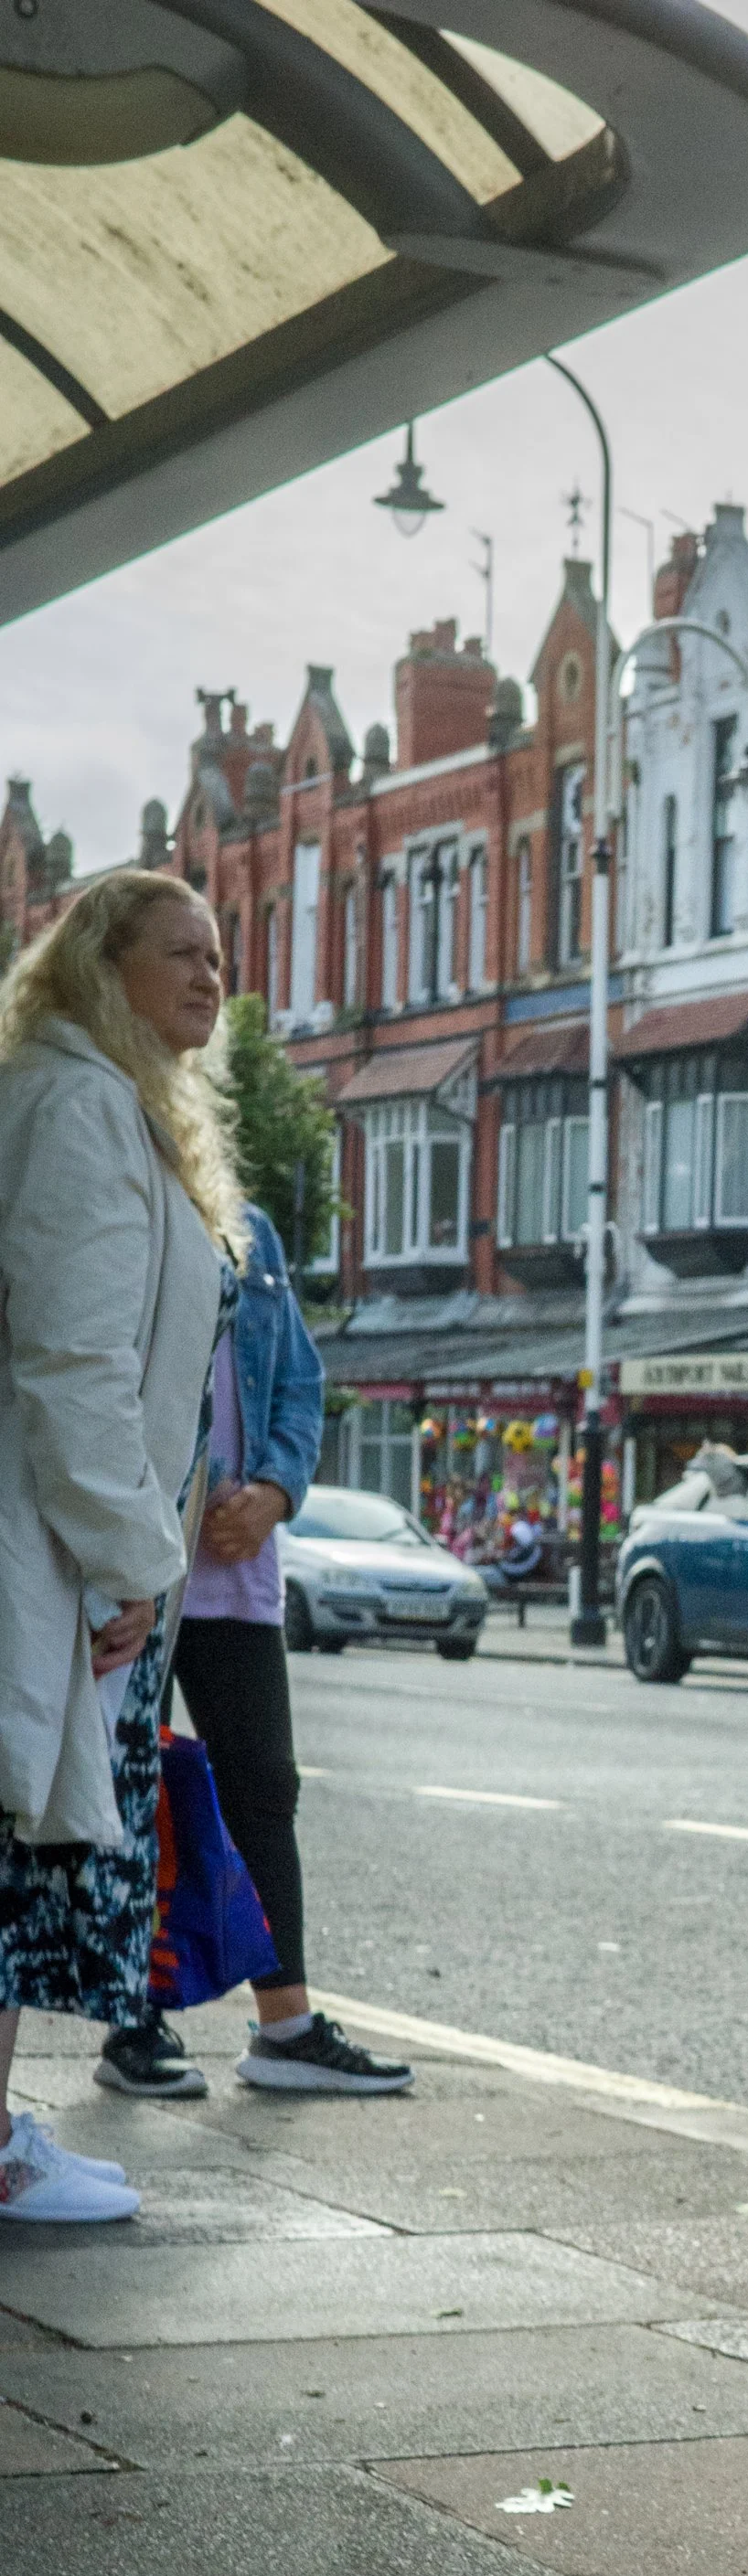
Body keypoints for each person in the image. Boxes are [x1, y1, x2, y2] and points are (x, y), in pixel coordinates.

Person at [0, 874, 235, 2224]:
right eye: (181, 953)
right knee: (22, 1845)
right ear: (104, 962)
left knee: (28, 1844)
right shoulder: (83, 1104)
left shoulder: (88, 1092)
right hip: (59, 1554)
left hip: (73, 1548)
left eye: (220, 954)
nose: (211, 976)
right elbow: (75, 1363)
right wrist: (135, 1556)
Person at [95, 1203, 413, 2101]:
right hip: (130, 1556)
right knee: (129, 1789)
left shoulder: (251, 1227)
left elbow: (300, 1384)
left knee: (264, 1786)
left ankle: (287, 2028)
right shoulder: (119, 1185)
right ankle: (132, 2021)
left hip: (234, 1561)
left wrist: (276, 1487)